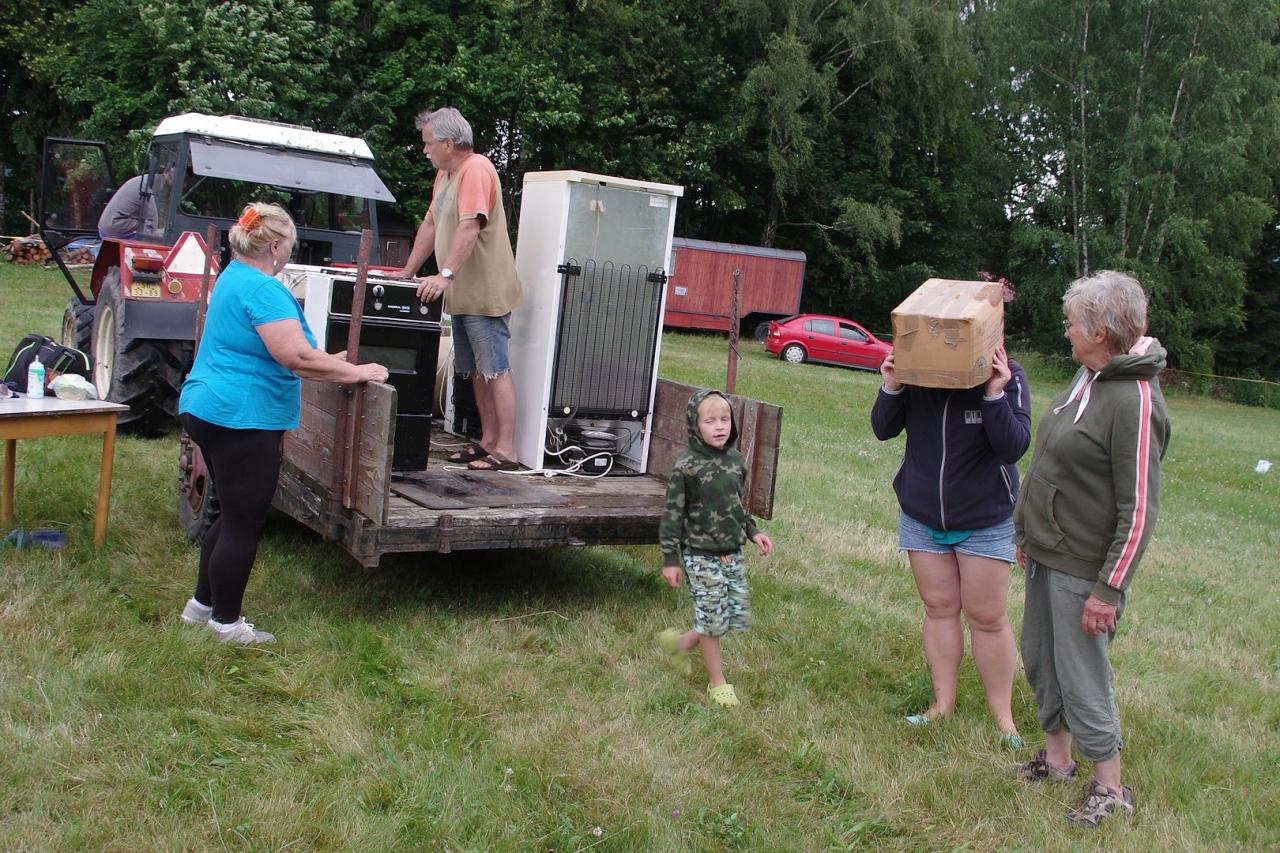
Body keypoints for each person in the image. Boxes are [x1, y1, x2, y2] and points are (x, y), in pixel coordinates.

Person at [177, 202, 389, 644]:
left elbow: (275, 348)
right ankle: (227, 625)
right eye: (290, 244)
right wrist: (355, 372)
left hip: (207, 407)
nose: (290, 252)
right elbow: (294, 356)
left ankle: (200, 608)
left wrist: (332, 362)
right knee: (243, 522)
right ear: (274, 246)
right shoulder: (264, 289)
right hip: (241, 417)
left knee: (231, 513)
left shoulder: (233, 276)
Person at [1013, 270, 1170, 827]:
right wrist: (1027, 533)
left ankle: (1110, 787)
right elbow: (1052, 458)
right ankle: (1057, 761)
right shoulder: (1090, 376)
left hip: (1084, 567)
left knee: (1083, 676)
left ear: (1101, 330)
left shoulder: (1135, 399)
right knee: (1041, 660)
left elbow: (1140, 508)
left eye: (1072, 323)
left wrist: (1109, 588)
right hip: (1047, 552)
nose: (1067, 332)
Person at [871, 344, 1032, 746]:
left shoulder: (1008, 375)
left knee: (987, 616)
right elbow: (883, 429)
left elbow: (1014, 446)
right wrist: (892, 386)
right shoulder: (917, 372)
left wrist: (993, 395)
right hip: (922, 514)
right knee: (939, 608)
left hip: (984, 516)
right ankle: (941, 705)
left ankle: (1003, 718)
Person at [397, 107, 523, 471]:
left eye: (428, 144)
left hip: (486, 292)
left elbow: (470, 226)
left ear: (449, 143)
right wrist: (406, 274)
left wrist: (445, 275)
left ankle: (507, 450)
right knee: (475, 371)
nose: (425, 150)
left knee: (495, 368)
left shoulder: (476, 169)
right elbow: (430, 225)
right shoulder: (445, 175)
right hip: (463, 294)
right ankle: (487, 442)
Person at [656, 390, 774, 708]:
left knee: (731, 615)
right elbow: (672, 515)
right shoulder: (687, 467)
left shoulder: (736, 462)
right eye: (710, 421)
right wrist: (671, 558)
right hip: (700, 554)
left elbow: (736, 506)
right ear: (695, 426)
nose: (720, 426)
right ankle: (717, 682)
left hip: (732, 553)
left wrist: (753, 531)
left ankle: (681, 644)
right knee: (713, 620)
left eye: (724, 419)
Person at [97, 174, 158, 240]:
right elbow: (153, 224)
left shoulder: (142, 180)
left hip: (104, 228)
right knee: (151, 232)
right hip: (114, 230)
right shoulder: (146, 188)